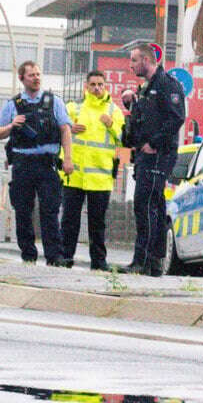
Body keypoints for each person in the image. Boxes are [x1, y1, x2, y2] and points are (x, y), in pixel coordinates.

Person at [119, 43, 185, 276]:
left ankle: (143, 260)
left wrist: (153, 143)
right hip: (145, 155)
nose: (131, 65)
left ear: (146, 60)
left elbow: (177, 118)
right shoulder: (147, 87)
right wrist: (131, 101)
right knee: (153, 205)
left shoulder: (167, 84)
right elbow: (145, 117)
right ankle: (154, 262)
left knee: (145, 204)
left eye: (134, 60)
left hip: (158, 154)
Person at [0, 61, 73, 266]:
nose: (36, 78)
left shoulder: (54, 102)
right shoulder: (12, 105)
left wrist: (68, 158)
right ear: (22, 78)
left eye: (38, 74)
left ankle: (54, 256)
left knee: (50, 210)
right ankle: (28, 255)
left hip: (47, 164)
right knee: (23, 210)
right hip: (22, 163)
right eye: (31, 75)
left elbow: (65, 129)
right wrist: (12, 126)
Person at [61, 70, 124, 271]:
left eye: (100, 84)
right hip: (75, 175)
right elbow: (59, 131)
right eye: (93, 84)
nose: (96, 88)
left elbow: (123, 138)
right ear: (86, 87)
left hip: (100, 176)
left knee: (97, 223)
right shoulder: (73, 108)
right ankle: (65, 257)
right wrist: (70, 127)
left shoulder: (114, 110)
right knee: (70, 220)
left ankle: (99, 262)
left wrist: (111, 125)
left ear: (105, 87)